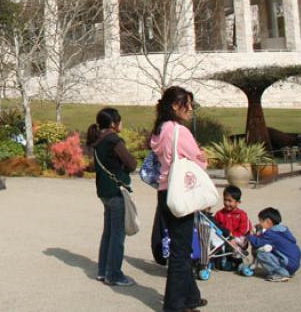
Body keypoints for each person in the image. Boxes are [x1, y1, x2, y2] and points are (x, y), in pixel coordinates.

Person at [150, 86, 208, 312]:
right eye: (188, 104)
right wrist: (203, 158)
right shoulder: (179, 131)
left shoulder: (160, 130)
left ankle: (191, 296)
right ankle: (174, 305)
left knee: (179, 245)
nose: (191, 109)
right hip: (181, 191)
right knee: (181, 251)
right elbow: (198, 161)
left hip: (165, 190)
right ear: (176, 106)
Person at [88, 108, 137, 287]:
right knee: (117, 234)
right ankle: (114, 274)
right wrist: (125, 169)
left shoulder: (97, 141)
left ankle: (103, 271)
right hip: (117, 191)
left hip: (104, 191)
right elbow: (131, 163)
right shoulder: (113, 140)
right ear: (113, 123)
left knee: (108, 232)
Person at [246, 207, 301, 282]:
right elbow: (293, 241)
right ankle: (288, 271)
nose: (260, 224)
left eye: (261, 222)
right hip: (294, 264)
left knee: (261, 253)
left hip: (287, 263)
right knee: (270, 248)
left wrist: (250, 235)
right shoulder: (284, 230)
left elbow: (257, 243)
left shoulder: (270, 233)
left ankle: (281, 273)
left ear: (268, 222)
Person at [213, 185, 251, 269]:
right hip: (223, 237)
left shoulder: (242, 215)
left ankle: (238, 262)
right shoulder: (219, 214)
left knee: (237, 243)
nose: (227, 203)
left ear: (238, 202)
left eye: (230, 201)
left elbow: (245, 230)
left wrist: (233, 236)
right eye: (225, 200)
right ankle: (220, 261)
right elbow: (215, 226)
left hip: (238, 239)